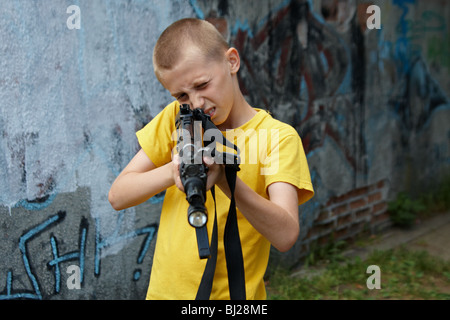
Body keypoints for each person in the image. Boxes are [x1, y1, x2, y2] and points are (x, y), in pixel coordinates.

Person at [108, 18, 314, 300]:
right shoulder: (175, 118)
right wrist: (173, 171)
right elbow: (118, 196)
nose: (196, 104)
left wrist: (227, 179)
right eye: (181, 95)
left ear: (231, 61)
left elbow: (286, 235)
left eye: (202, 85)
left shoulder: (276, 138)